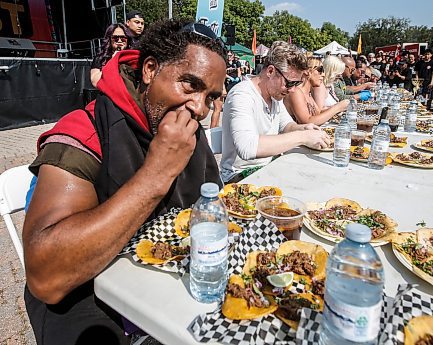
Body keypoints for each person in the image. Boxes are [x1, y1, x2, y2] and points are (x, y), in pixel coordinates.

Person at [22, 19, 226, 344]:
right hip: (86, 297)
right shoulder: (85, 131)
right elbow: (46, 277)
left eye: (211, 97)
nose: (200, 108)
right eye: (189, 85)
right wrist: (155, 176)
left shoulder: (188, 129)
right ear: (148, 70)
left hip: (165, 284)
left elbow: (213, 208)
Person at [220, 41, 330, 183]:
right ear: (271, 71)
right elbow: (247, 148)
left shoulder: (275, 96)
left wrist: (304, 128)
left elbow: (286, 126)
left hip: (267, 168)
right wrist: (303, 136)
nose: (292, 90)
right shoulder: (242, 94)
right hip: (238, 178)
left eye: (296, 84)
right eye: (290, 83)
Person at [284, 56, 349, 125]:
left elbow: (317, 114)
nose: (323, 74)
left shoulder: (307, 93)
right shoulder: (295, 92)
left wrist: (339, 107)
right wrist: (337, 108)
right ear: (307, 71)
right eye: (320, 70)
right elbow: (307, 121)